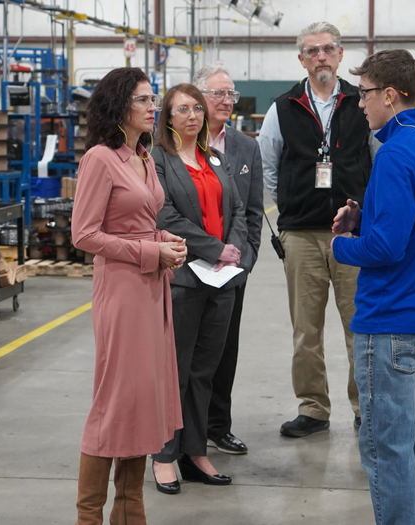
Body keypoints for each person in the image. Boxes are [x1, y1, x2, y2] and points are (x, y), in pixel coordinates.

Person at [331, 49, 415, 525]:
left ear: (389, 94)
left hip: (391, 324)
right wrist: (366, 220)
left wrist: (343, 245)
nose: (359, 103)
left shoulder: (394, 155)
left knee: (387, 449)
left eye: (364, 93)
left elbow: (386, 250)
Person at [70, 67, 187, 525]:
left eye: (152, 98)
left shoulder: (142, 156)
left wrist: (164, 241)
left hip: (152, 287)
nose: (152, 106)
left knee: (142, 400)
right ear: (120, 106)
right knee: (115, 401)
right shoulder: (100, 159)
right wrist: (147, 251)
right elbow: (84, 234)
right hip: (121, 290)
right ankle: (89, 516)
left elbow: (137, 219)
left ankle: (128, 513)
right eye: (143, 99)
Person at [257, 21, 374, 437]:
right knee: (306, 329)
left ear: (341, 55)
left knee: (359, 325)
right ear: (301, 59)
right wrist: (290, 208)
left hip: (354, 236)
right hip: (302, 234)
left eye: (328, 49)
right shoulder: (282, 107)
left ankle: (366, 408)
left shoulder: (362, 103)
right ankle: (313, 408)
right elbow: (268, 167)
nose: (320, 56)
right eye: (312, 50)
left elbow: (378, 162)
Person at [150, 83, 248, 495]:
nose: (192, 115)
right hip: (185, 278)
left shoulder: (215, 158)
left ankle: (195, 451)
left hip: (221, 281)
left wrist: (236, 250)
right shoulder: (158, 161)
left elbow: (238, 208)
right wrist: (212, 248)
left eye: (196, 109)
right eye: (182, 109)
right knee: (175, 371)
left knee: (205, 371)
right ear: (168, 118)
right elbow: (164, 213)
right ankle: (164, 454)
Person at [192, 64, 264, 455]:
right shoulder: (171, 145)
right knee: (188, 354)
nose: (226, 101)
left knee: (224, 350)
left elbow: (253, 214)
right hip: (188, 267)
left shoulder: (245, 147)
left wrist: (243, 263)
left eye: (230, 95)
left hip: (231, 272)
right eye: (218, 93)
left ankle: (218, 426)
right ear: (197, 97)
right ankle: (186, 431)